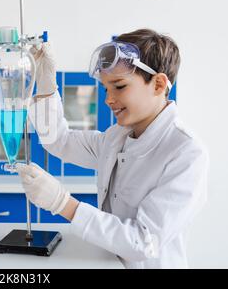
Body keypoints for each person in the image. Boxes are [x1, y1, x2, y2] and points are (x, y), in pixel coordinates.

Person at [17, 29, 209, 268]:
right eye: (106, 88)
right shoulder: (116, 138)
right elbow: (59, 140)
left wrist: (62, 203)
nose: (109, 98)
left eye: (119, 86)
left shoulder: (186, 153)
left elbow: (143, 241)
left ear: (158, 84)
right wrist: (46, 84)